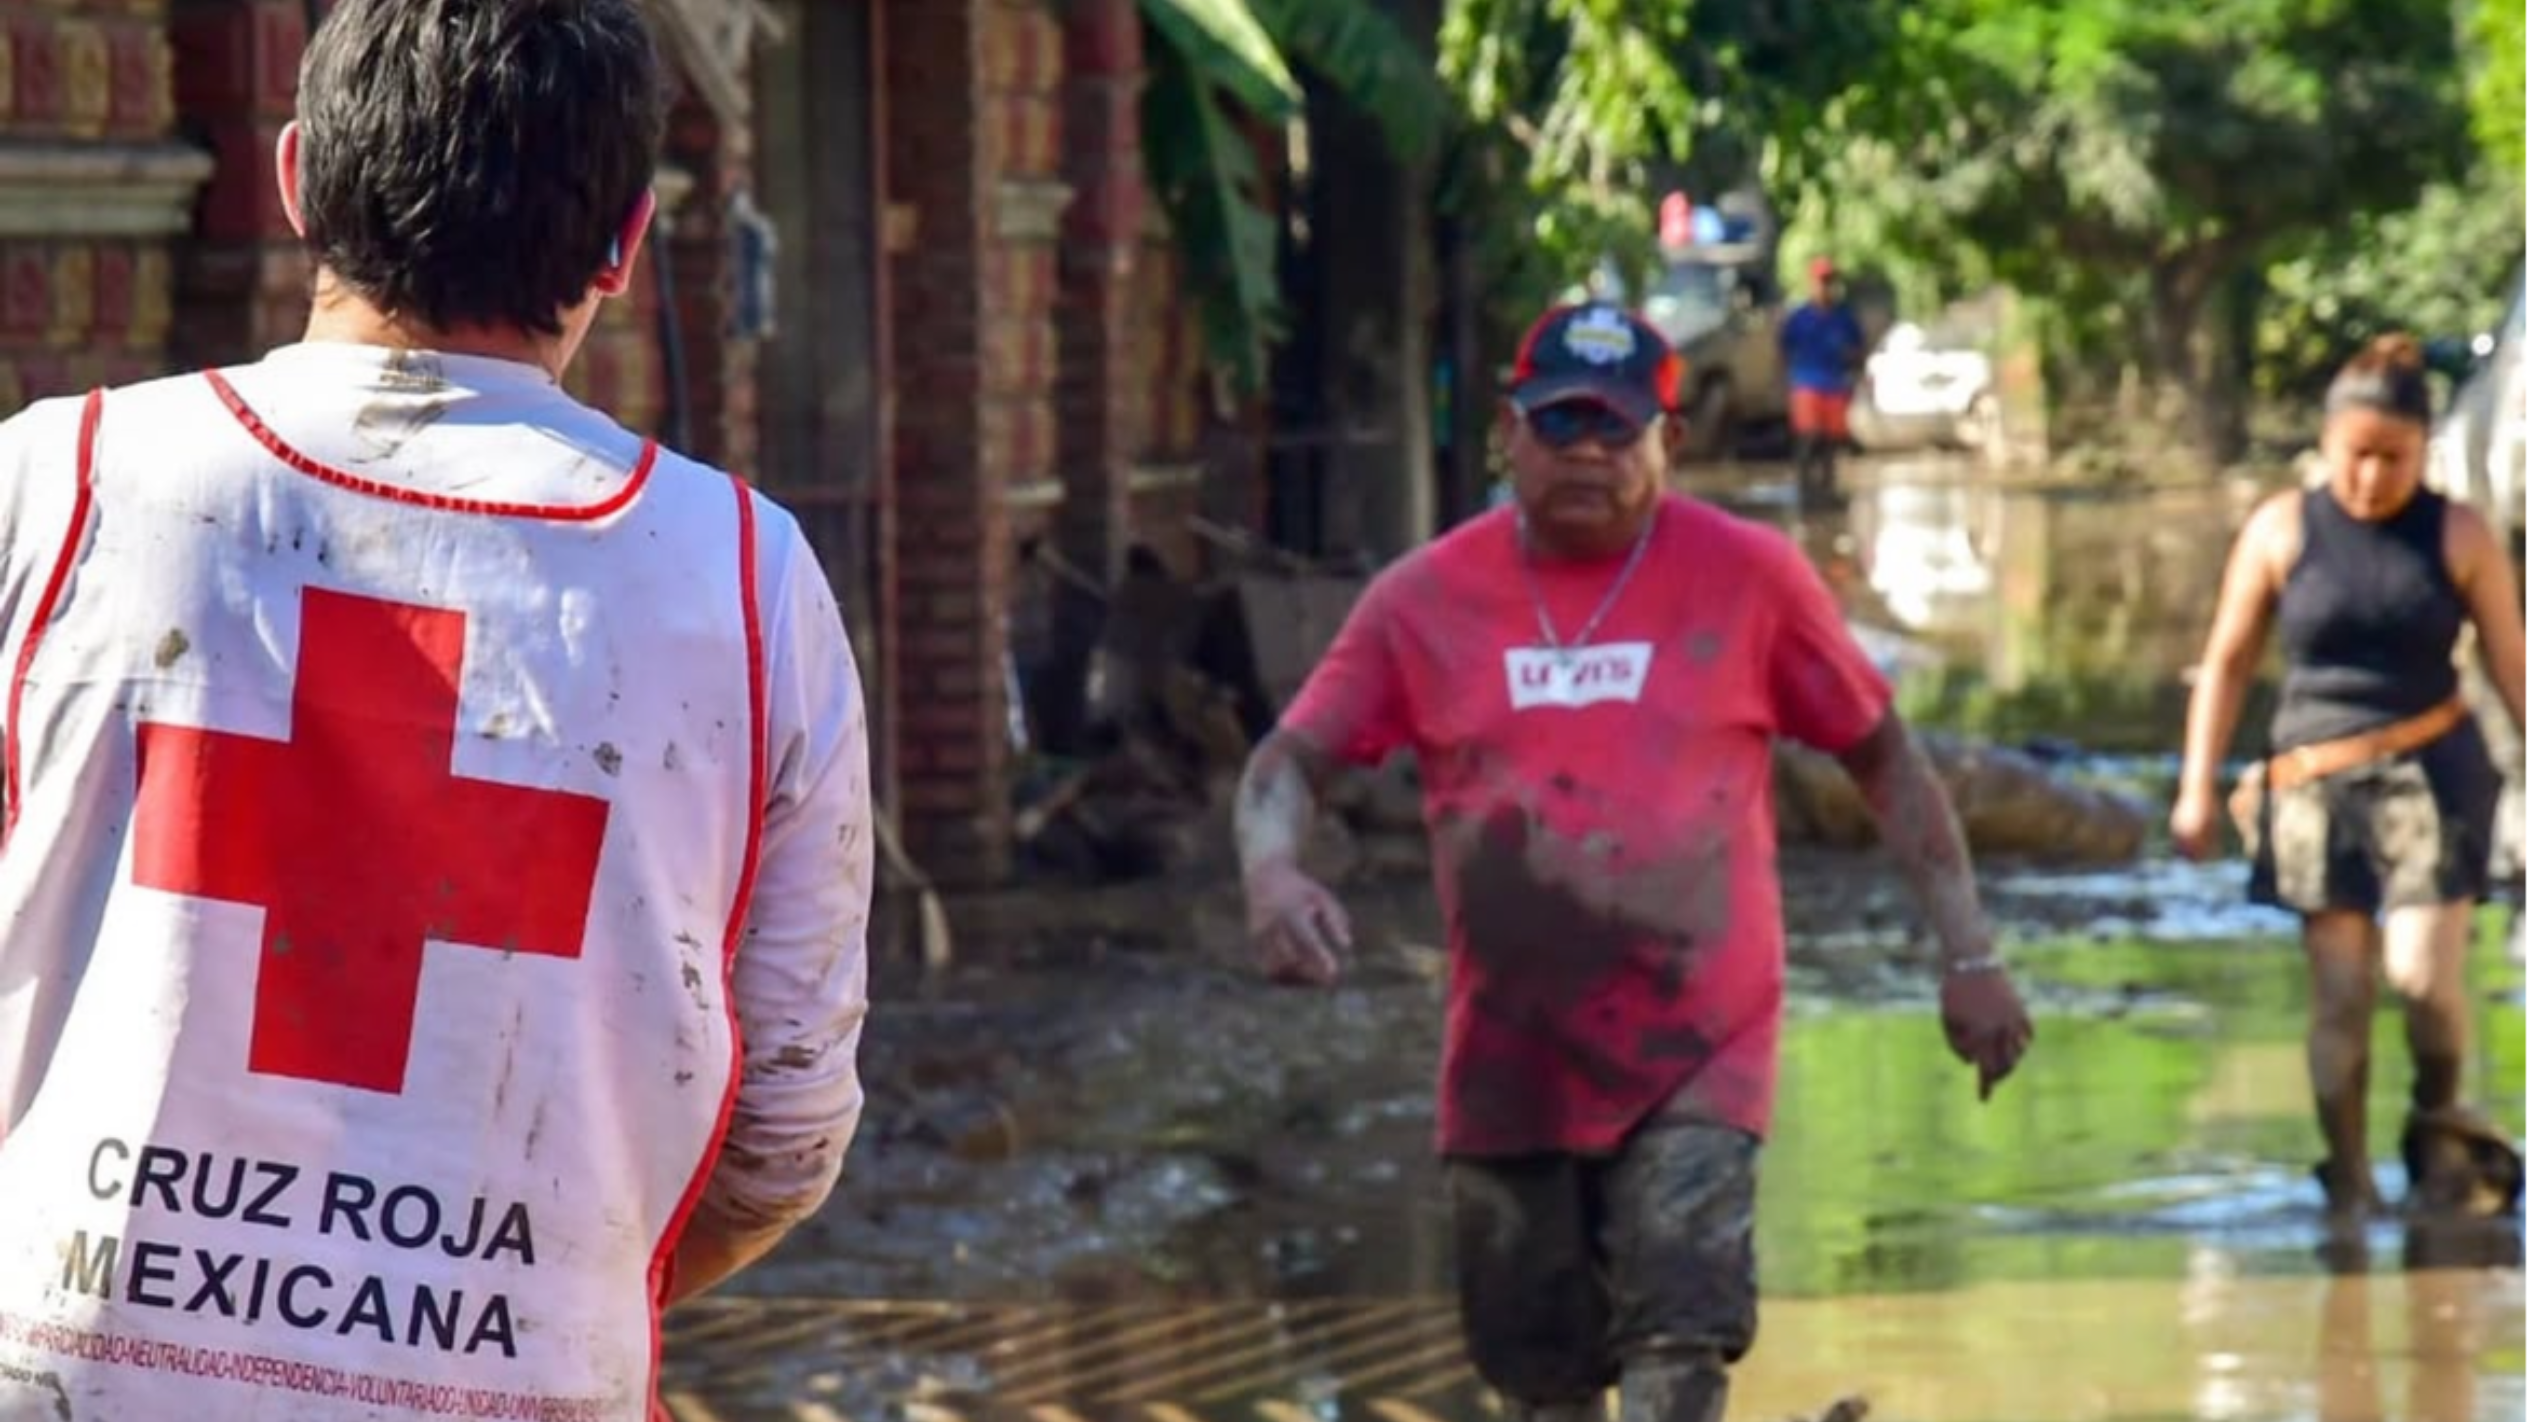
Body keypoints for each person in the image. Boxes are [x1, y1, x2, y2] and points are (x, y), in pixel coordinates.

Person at [0, 3, 873, 1417]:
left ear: (296, 177)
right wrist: (497, 1318)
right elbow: (782, 1127)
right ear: (626, 242)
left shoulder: (56, 487)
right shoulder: (745, 582)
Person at [1234, 301, 2033, 1422]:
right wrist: (1271, 871)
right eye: (1559, 424)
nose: (1587, 452)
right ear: (1507, 433)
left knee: (1677, 1343)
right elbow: (1286, 765)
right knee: (1541, 1383)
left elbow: (1885, 760)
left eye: (1615, 428)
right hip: (1509, 1060)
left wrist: (1970, 956)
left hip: (1699, 1046)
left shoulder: (1750, 579)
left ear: (1669, 442)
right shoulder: (1422, 599)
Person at [2171, 334, 2526, 1221]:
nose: (2370, 477)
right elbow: (2226, 663)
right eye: (2355, 455)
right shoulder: (2281, 529)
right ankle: (2351, 1182)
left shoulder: (2458, 533)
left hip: (2434, 778)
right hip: (2314, 783)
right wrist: (2195, 787)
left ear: (2423, 450)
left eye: (2392, 458)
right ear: (2326, 445)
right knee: (2341, 994)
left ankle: (2441, 1136)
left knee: (2422, 978)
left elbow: (2511, 664)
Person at [1778, 257, 1866, 508]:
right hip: (1807, 384)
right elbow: (1783, 348)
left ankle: (1828, 488)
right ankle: (1804, 487)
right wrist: (1786, 380)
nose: (1826, 287)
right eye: (1822, 281)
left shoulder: (1844, 318)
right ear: (1812, 283)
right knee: (1809, 436)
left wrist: (1853, 367)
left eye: (1830, 282)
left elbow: (1858, 348)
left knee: (1831, 442)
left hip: (1835, 385)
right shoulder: (1799, 318)